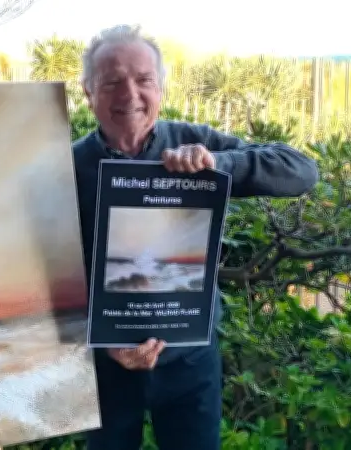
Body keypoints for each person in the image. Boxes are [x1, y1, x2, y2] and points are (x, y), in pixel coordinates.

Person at [72, 25, 319, 450]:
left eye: (143, 80)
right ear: (89, 91)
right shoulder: (69, 166)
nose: (129, 94)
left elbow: (301, 170)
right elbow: (51, 276)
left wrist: (217, 165)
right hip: (107, 367)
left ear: (161, 88)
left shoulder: (193, 142)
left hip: (190, 362)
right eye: (111, 82)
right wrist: (101, 339)